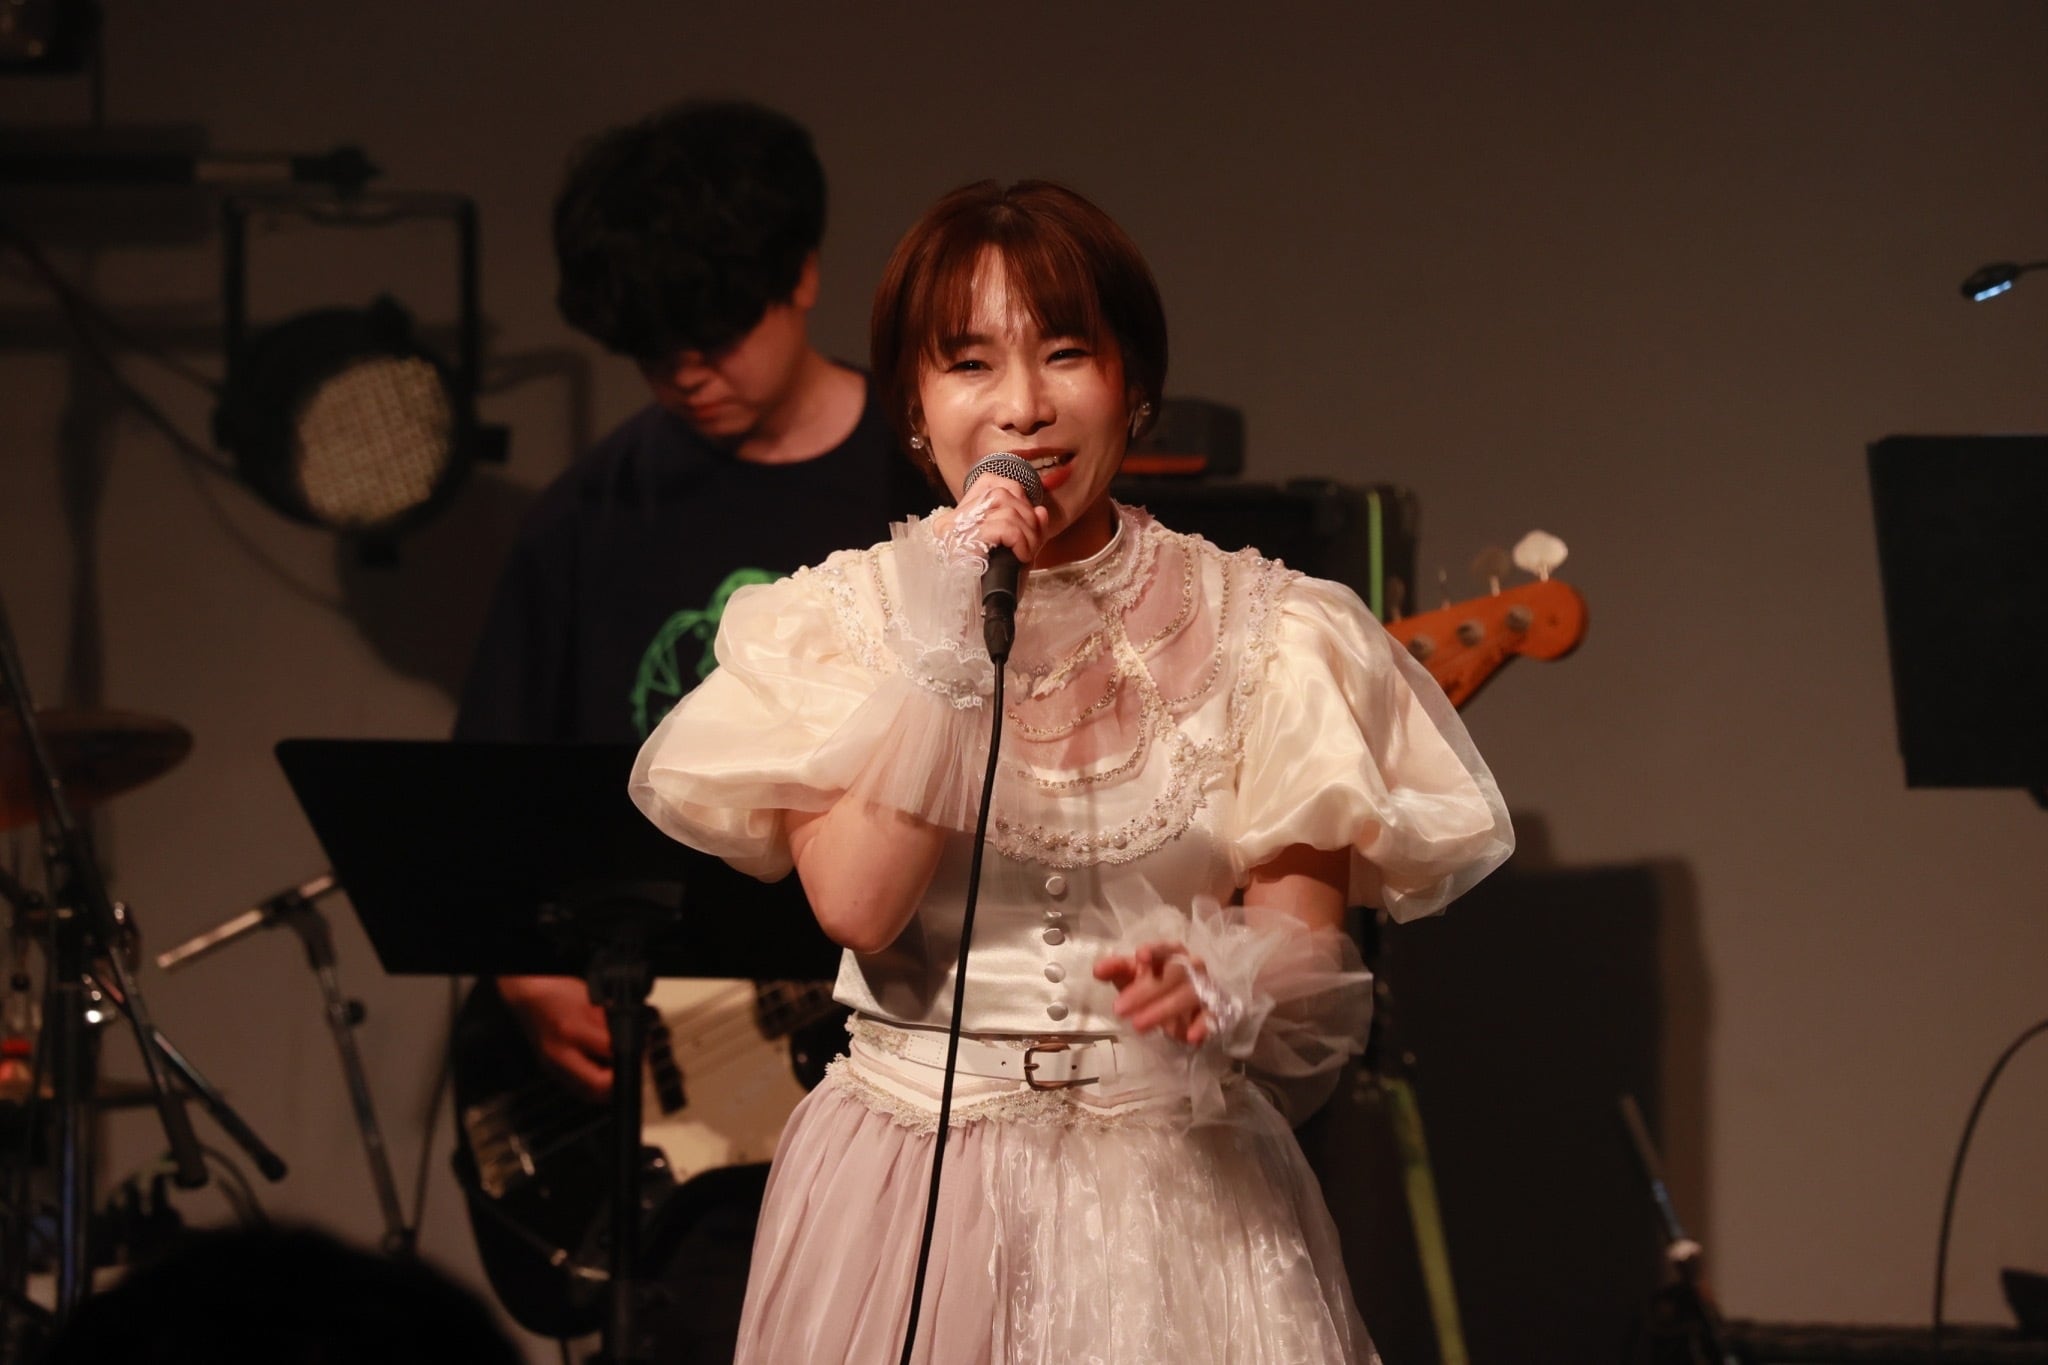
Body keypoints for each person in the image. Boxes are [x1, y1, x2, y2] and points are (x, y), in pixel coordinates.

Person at [630, 179, 1514, 1363]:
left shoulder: (1273, 628)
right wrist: (951, 629)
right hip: (905, 1181)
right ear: (913, 406)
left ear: (1131, 383)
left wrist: (1225, 980)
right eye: (969, 364)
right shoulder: (834, 623)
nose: (1022, 408)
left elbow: (1307, 943)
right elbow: (856, 907)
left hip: (1174, 1196)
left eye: (1063, 355)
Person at [449, 99, 921, 1358]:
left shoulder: (923, 482)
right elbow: (490, 792)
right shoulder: (586, 519)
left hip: (895, 1065)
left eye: (714, 335)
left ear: (801, 274)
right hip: (679, 1111)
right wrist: (524, 975)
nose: (686, 376)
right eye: (651, 352)